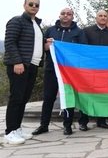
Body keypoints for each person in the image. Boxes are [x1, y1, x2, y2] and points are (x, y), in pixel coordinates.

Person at [3, 0, 51, 145]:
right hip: (19, 65)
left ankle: (17, 128)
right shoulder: (16, 21)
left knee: (23, 99)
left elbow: (33, 44)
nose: (34, 6)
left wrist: (46, 44)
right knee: (16, 98)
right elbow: (10, 42)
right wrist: (17, 61)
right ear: (24, 5)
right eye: (31, 4)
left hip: (33, 65)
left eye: (37, 5)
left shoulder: (36, 24)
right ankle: (9, 131)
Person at [32, 8, 86, 136]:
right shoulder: (50, 30)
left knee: (68, 97)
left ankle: (67, 125)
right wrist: (45, 46)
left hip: (69, 71)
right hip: (51, 69)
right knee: (48, 98)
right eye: (63, 13)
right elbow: (41, 46)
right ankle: (43, 125)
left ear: (72, 17)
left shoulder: (79, 32)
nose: (66, 16)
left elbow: (82, 49)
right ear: (59, 16)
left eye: (69, 14)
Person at [78, 10, 108, 131]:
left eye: (105, 16)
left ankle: (102, 120)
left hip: (105, 70)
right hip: (89, 69)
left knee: (103, 94)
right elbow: (81, 48)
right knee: (86, 94)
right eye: (100, 16)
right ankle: (83, 121)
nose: (103, 18)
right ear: (96, 18)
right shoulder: (86, 31)